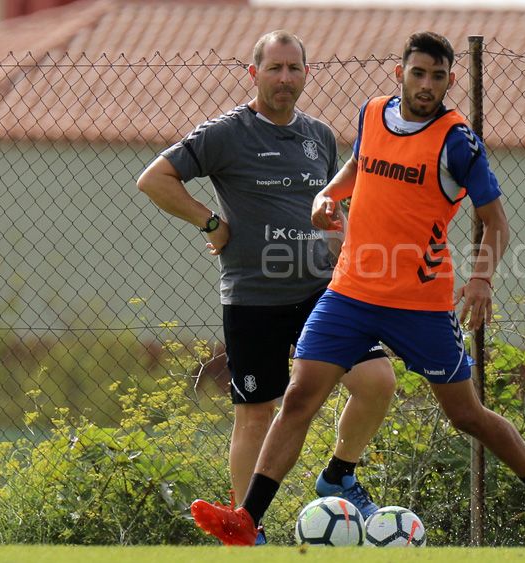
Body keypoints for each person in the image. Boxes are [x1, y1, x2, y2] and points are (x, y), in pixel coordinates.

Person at [188, 31, 525, 548]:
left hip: (419, 303)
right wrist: (328, 195)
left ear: (448, 81)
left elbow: (496, 221)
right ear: (399, 74)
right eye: (418, 74)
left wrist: (482, 277)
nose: (426, 85)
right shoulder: (372, 113)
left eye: (437, 77)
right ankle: (246, 520)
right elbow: (359, 166)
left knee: (466, 415)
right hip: (350, 293)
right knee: (300, 397)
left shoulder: (457, 140)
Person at [136, 30, 398, 540]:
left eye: (293, 69)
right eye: (274, 69)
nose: (284, 79)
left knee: (377, 383)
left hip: (324, 293)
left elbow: (334, 205)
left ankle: (338, 475)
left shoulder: (319, 136)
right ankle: (248, 533)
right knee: (256, 414)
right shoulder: (226, 133)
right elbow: (155, 179)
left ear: (306, 74)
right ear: (253, 74)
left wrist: (345, 245)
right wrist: (212, 223)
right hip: (253, 297)